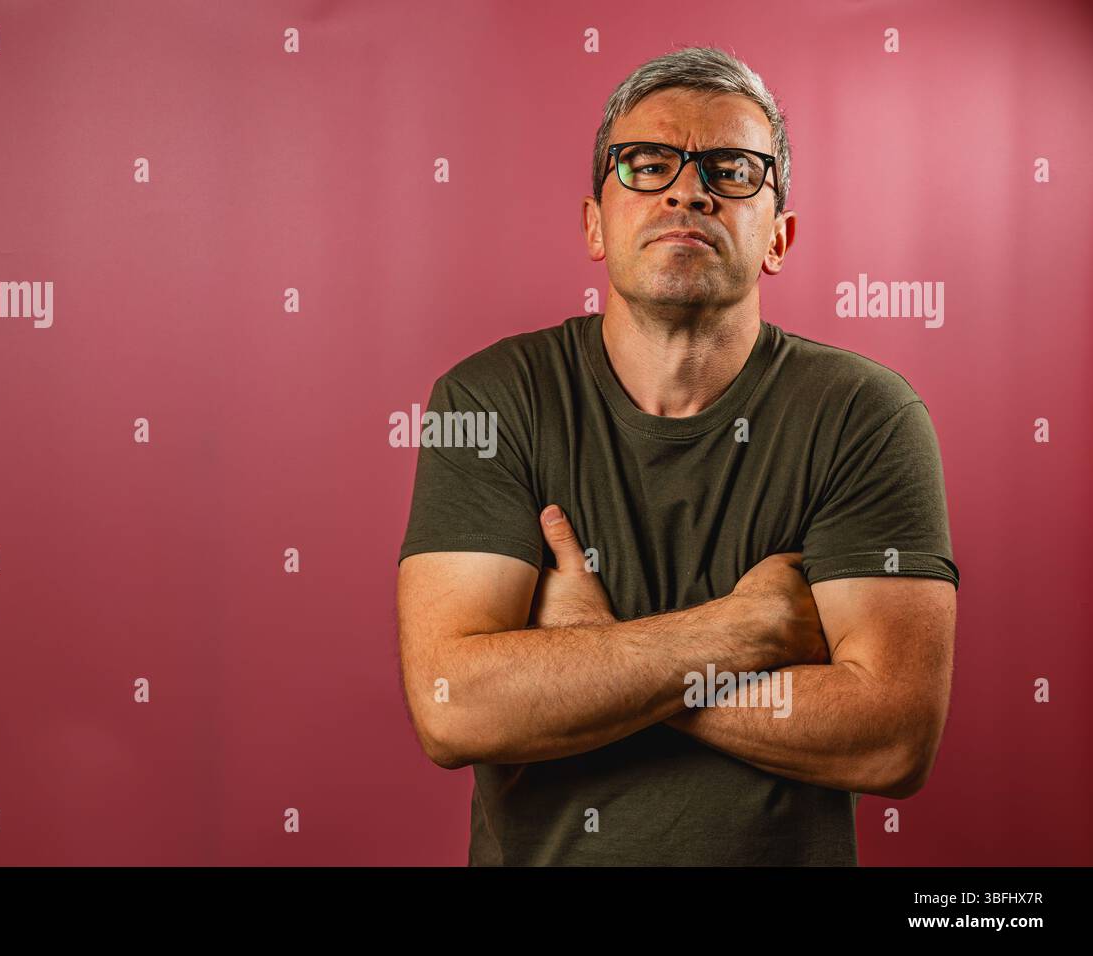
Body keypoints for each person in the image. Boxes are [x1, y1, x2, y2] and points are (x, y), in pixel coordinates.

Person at [395, 46, 959, 866]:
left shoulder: (865, 417)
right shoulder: (488, 402)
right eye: (647, 163)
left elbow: (893, 739)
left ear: (779, 236)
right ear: (595, 223)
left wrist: (595, 652)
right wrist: (742, 630)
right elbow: (453, 709)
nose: (686, 190)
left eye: (731, 170)